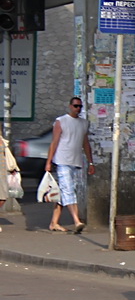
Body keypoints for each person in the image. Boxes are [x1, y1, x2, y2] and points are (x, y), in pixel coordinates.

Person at [45, 96, 94, 233]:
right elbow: (54, 142)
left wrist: (90, 162)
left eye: (80, 106)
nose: (78, 109)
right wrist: (48, 162)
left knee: (63, 192)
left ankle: (54, 223)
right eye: (75, 106)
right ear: (70, 106)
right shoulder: (61, 121)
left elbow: (85, 143)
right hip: (62, 160)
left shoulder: (84, 123)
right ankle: (77, 220)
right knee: (69, 191)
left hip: (76, 161)